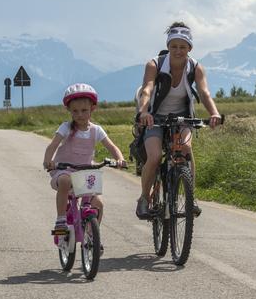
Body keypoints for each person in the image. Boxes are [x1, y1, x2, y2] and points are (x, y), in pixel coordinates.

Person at [133, 22, 223, 219]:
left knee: (186, 150)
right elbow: (147, 89)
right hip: (154, 117)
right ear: (168, 46)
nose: (178, 51)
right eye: (174, 46)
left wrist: (214, 113)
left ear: (189, 48)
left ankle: (191, 198)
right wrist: (144, 112)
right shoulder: (154, 64)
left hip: (182, 117)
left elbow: (204, 92)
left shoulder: (196, 67)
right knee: (155, 156)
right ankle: (144, 199)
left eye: (183, 47)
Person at [43, 83, 126, 236]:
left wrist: (120, 159)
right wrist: (48, 161)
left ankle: (92, 237)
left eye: (84, 110)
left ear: (92, 109)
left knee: (98, 203)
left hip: (85, 173)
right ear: (69, 110)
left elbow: (112, 146)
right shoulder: (66, 128)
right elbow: (52, 145)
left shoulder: (96, 130)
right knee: (65, 181)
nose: (80, 114)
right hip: (64, 170)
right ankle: (61, 220)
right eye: (75, 111)